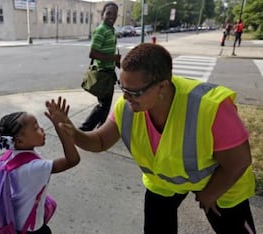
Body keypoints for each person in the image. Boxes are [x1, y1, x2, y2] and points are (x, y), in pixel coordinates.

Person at [50, 43, 256, 234]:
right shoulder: (128, 107)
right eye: (122, 88)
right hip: (164, 183)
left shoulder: (210, 108)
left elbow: (239, 161)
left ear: (162, 87)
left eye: (134, 92)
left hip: (223, 184)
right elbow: (101, 142)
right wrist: (74, 133)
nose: (125, 97)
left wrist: (211, 193)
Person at [0, 97, 80, 233]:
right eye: (36, 128)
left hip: (16, 223)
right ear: (19, 141)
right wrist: (60, 127)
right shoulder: (33, 168)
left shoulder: (10, 156)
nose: (42, 129)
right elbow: (72, 160)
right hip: (31, 229)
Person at [79, 2, 121, 131]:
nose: (111, 16)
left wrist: (117, 63)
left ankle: (101, 128)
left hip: (109, 73)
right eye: (108, 13)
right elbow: (93, 53)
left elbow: (108, 50)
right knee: (103, 105)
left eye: (114, 14)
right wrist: (112, 58)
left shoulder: (110, 30)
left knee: (106, 105)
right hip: (102, 74)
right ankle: (84, 129)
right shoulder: (101, 30)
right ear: (102, 14)